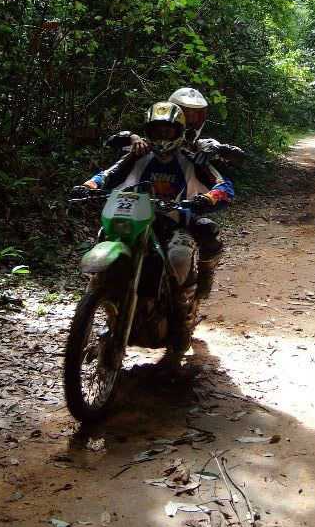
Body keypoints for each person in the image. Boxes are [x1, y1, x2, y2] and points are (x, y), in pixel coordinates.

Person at [75, 102, 233, 362]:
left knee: (179, 258)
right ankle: (99, 308)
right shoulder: (138, 155)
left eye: (167, 131)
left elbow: (223, 186)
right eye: (157, 131)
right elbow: (108, 175)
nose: (162, 137)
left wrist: (208, 199)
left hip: (174, 223)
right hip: (135, 220)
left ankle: (182, 322)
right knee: (104, 236)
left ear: (178, 132)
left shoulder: (189, 159)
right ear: (148, 131)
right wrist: (88, 186)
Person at [106, 87, 245, 165]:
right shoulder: (151, 142)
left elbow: (238, 157)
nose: (189, 119)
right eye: (184, 113)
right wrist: (133, 137)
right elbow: (111, 142)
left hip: (189, 202)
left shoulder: (201, 146)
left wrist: (218, 149)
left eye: (194, 114)